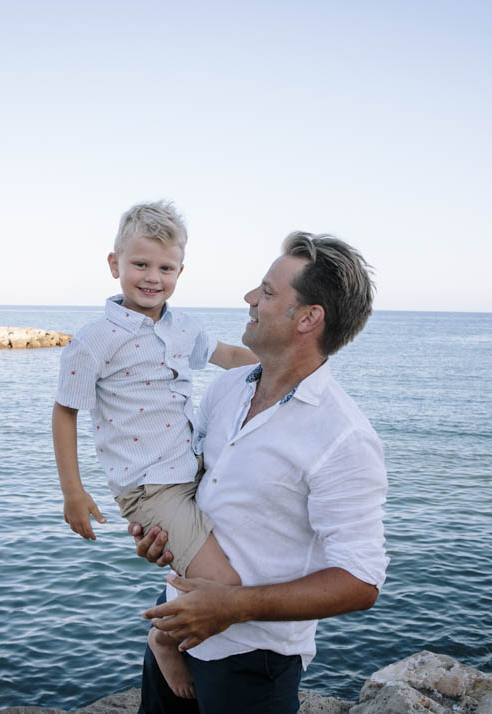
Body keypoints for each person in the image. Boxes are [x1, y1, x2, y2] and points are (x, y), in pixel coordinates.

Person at [132, 232, 389, 714]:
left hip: (253, 664)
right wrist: (157, 536)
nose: (250, 299)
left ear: (308, 318)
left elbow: (361, 579)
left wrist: (235, 606)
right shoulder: (226, 389)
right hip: (176, 629)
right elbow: (191, 491)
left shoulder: (343, 437)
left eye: (268, 292)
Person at [52, 200, 257, 699]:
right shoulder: (95, 338)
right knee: (223, 585)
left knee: (254, 541)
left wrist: (290, 362)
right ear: (114, 264)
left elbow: (226, 355)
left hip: (191, 464)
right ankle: (165, 638)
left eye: (165, 268)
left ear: (180, 271)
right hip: (149, 485)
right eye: (140, 265)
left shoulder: (182, 326)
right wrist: (73, 494)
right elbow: (65, 412)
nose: (152, 278)